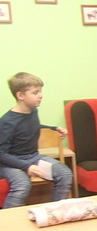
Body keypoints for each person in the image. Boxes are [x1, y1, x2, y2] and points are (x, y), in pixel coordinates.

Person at [0, 72, 72, 208]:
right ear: (20, 96)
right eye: (35, 92)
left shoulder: (32, 111)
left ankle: (55, 211)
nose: (41, 95)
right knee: (22, 184)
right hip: (9, 163)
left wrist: (54, 128)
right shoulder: (7, 122)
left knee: (65, 174)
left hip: (33, 157)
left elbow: (30, 127)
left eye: (40, 91)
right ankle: (7, 219)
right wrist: (26, 167)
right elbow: (1, 153)